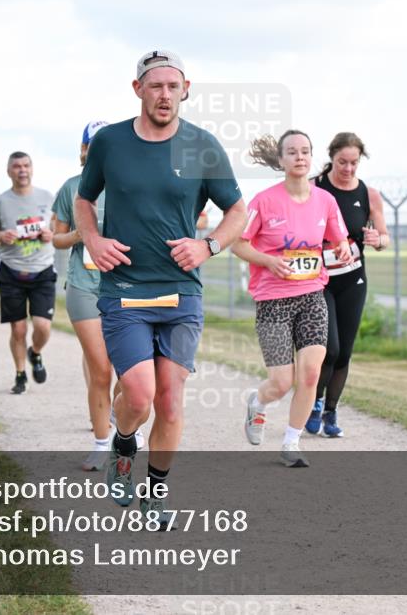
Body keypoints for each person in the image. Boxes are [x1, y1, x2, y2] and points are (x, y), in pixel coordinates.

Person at [75, 50, 246, 520]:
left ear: (186, 89)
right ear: (138, 90)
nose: (165, 94)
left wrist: (208, 246)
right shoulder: (110, 142)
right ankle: (124, 442)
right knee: (139, 397)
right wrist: (93, 239)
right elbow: (84, 200)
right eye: (156, 86)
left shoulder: (202, 146)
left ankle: (155, 490)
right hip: (124, 290)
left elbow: (237, 211)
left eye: (174, 86)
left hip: (181, 292)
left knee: (169, 403)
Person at [232, 131, 350, 467]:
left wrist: (341, 247)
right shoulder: (264, 201)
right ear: (281, 160)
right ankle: (258, 402)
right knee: (282, 382)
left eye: (305, 152)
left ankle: (291, 442)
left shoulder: (325, 201)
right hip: (273, 300)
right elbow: (239, 244)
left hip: (312, 294)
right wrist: (269, 261)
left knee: (311, 374)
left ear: (311, 158)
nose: (300, 157)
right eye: (292, 152)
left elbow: (338, 239)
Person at [53, 120, 146, 471]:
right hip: (84, 286)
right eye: (95, 144)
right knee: (101, 369)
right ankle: (100, 441)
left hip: (126, 286)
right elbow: (56, 238)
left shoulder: (134, 186)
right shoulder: (72, 188)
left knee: (129, 371)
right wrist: (83, 234)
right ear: (85, 150)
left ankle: (126, 425)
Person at [305, 132, 389, 437]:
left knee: (345, 353)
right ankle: (313, 403)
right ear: (332, 158)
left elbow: (385, 238)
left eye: (354, 163)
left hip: (353, 278)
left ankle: (330, 412)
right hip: (320, 280)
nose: (349, 169)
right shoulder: (314, 188)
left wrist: (378, 239)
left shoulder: (369, 194)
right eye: (343, 162)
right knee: (329, 348)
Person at [0, 152, 57, 394]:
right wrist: (1, 236)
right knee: (18, 329)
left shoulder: (47, 197)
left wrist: (51, 234)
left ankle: (35, 353)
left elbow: (59, 228)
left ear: (32, 169)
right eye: (16, 166)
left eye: (26, 165)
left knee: (42, 326)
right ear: (9, 172)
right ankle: (20, 374)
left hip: (42, 269)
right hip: (12, 271)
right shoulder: (2, 201)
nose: (22, 170)